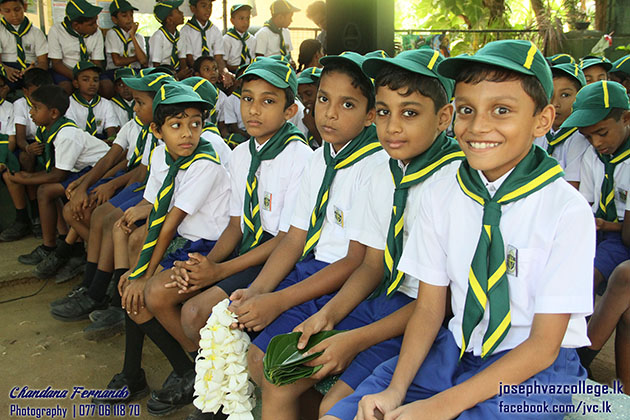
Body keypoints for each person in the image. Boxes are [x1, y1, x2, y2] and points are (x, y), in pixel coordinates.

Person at [324, 39, 594, 420]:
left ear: (542, 120)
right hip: (455, 350)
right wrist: (396, 390)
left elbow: (543, 346)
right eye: (467, 110)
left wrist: (440, 406)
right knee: (344, 414)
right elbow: (430, 309)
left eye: (501, 110)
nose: (478, 126)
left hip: (538, 370)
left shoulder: (566, 211)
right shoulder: (443, 192)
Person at [262, 48, 464, 420]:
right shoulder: (383, 171)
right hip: (381, 298)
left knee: (335, 405)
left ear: (444, 117)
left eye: (410, 113)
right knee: (277, 378)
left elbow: (440, 304)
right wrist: (329, 315)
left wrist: (353, 339)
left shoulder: (456, 183)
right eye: (385, 112)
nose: (393, 127)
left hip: (426, 317)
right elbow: (371, 264)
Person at [227, 52, 387, 420]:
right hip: (311, 268)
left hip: (343, 280)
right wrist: (260, 290)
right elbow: (295, 238)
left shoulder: (375, 167)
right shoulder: (319, 158)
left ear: (369, 114)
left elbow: (356, 261)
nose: (329, 113)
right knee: (255, 357)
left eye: (347, 104)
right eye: (324, 99)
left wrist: (279, 300)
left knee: (271, 367)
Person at [94, 82, 230, 416]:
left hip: (209, 247)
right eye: (176, 125)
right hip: (184, 240)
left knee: (142, 290)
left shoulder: (205, 162)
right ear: (156, 130)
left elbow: (168, 222)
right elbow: (155, 208)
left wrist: (144, 273)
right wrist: (137, 274)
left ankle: (207, 372)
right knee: (134, 299)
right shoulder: (161, 155)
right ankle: (181, 370)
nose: (187, 134)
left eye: (195, 124)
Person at [5, 85, 109, 270]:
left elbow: (58, 174)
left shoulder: (66, 134)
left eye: (36, 108)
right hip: (83, 170)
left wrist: (24, 179)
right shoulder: (49, 129)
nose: (30, 112)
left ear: (53, 113)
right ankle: (62, 240)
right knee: (48, 191)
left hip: (100, 172)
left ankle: (49, 246)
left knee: (45, 190)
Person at [0, 68, 53, 241]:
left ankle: (34, 215)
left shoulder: (53, 102)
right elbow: (21, 139)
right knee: (24, 157)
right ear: (25, 91)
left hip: (48, 142)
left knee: (18, 165)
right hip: (29, 144)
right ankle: (31, 215)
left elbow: (14, 139)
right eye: (34, 93)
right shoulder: (20, 104)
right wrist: (28, 148)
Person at [533, 62, 589, 188]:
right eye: (549, 95)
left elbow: (572, 186)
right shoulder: (538, 132)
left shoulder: (580, 137)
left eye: (565, 95)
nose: (555, 103)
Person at [47, 0, 105, 95]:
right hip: (66, 70)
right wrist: (78, 78)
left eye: (96, 22)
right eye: (91, 24)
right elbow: (56, 64)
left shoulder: (96, 33)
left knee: (106, 86)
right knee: (65, 88)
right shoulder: (56, 31)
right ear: (76, 26)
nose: (96, 26)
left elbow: (97, 62)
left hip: (90, 70)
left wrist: (90, 78)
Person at [180, 0, 232, 87]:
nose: (208, 10)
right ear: (193, 9)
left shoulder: (215, 30)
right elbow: (190, 59)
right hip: (196, 72)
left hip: (213, 71)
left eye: (210, 6)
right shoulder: (185, 31)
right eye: (204, 6)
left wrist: (224, 72)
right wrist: (205, 72)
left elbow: (218, 58)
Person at [66, 61, 119, 141]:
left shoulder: (105, 103)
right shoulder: (68, 103)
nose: (92, 84)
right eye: (86, 80)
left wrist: (110, 140)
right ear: (76, 83)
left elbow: (111, 129)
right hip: (78, 142)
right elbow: (72, 131)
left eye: (95, 80)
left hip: (102, 142)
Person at [0, 0, 48, 88]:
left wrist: (34, 69)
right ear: (1, 11)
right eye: (7, 11)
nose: (13, 14)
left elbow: (43, 62)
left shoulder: (36, 32)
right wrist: (6, 69)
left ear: (25, 7)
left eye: (17, 9)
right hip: (5, 66)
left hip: (30, 67)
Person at [105, 0, 147, 75]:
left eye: (131, 15)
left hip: (135, 70)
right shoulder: (112, 34)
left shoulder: (139, 37)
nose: (130, 19)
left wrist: (132, 36)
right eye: (124, 16)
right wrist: (136, 58)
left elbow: (143, 61)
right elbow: (117, 61)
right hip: (116, 71)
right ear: (114, 20)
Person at [149, 0, 189, 79]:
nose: (182, 13)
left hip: (176, 72)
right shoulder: (158, 37)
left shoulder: (180, 35)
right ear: (169, 20)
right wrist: (175, 77)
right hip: (159, 74)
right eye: (177, 11)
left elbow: (182, 58)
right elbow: (156, 65)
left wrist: (184, 72)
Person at [255, 0, 299, 66]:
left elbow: (289, 53)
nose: (291, 20)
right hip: (270, 69)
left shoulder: (286, 32)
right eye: (290, 17)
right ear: (280, 17)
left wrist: (291, 62)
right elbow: (259, 59)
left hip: (285, 67)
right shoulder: (263, 33)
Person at [222, 4, 256, 73]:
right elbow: (223, 62)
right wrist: (237, 69)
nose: (245, 22)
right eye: (241, 18)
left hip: (249, 71)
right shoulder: (227, 39)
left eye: (248, 18)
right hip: (232, 72)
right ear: (232, 21)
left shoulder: (252, 39)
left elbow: (253, 59)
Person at [297, 66, 322, 148]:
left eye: (308, 94)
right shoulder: (306, 116)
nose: (304, 100)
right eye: (301, 96)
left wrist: (312, 128)